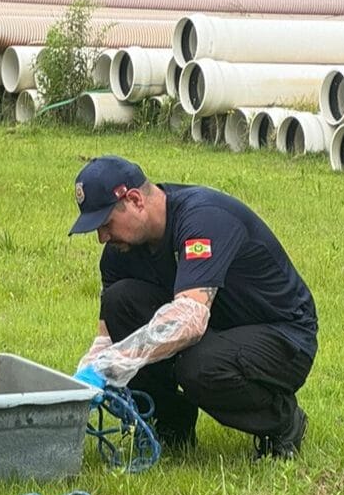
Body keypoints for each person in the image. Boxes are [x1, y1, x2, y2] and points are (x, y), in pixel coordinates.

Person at [68, 156, 317, 460]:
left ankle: (281, 421)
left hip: (283, 337)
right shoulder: (120, 252)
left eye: (105, 223)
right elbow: (107, 336)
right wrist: (81, 380)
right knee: (120, 301)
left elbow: (190, 321)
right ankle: (171, 425)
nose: (101, 237)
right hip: (219, 329)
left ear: (134, 200)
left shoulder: (203, 218)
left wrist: (111, 364)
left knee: (198, 366)